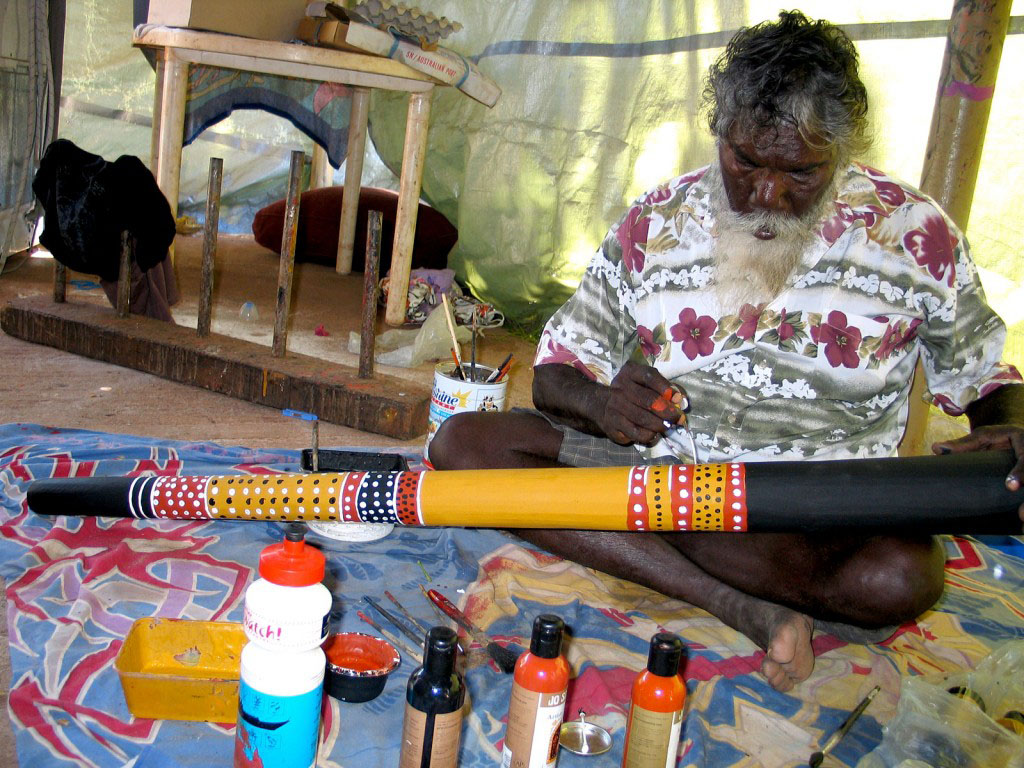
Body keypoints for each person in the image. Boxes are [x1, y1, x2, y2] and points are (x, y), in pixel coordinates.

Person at [428, 11, 1024, 692]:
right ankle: (737, 603)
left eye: (800, 171)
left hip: (811, 514)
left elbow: (984, 370)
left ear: (843, 149)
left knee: (901, 576)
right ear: (720, 133)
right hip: (669, 477)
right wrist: (600, 403)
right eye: (744, 162)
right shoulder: (657, 221)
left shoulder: (914, 233)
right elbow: (558, 371)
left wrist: (1010, 425)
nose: (767, 195)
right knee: (464, 446)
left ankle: (683, 557)